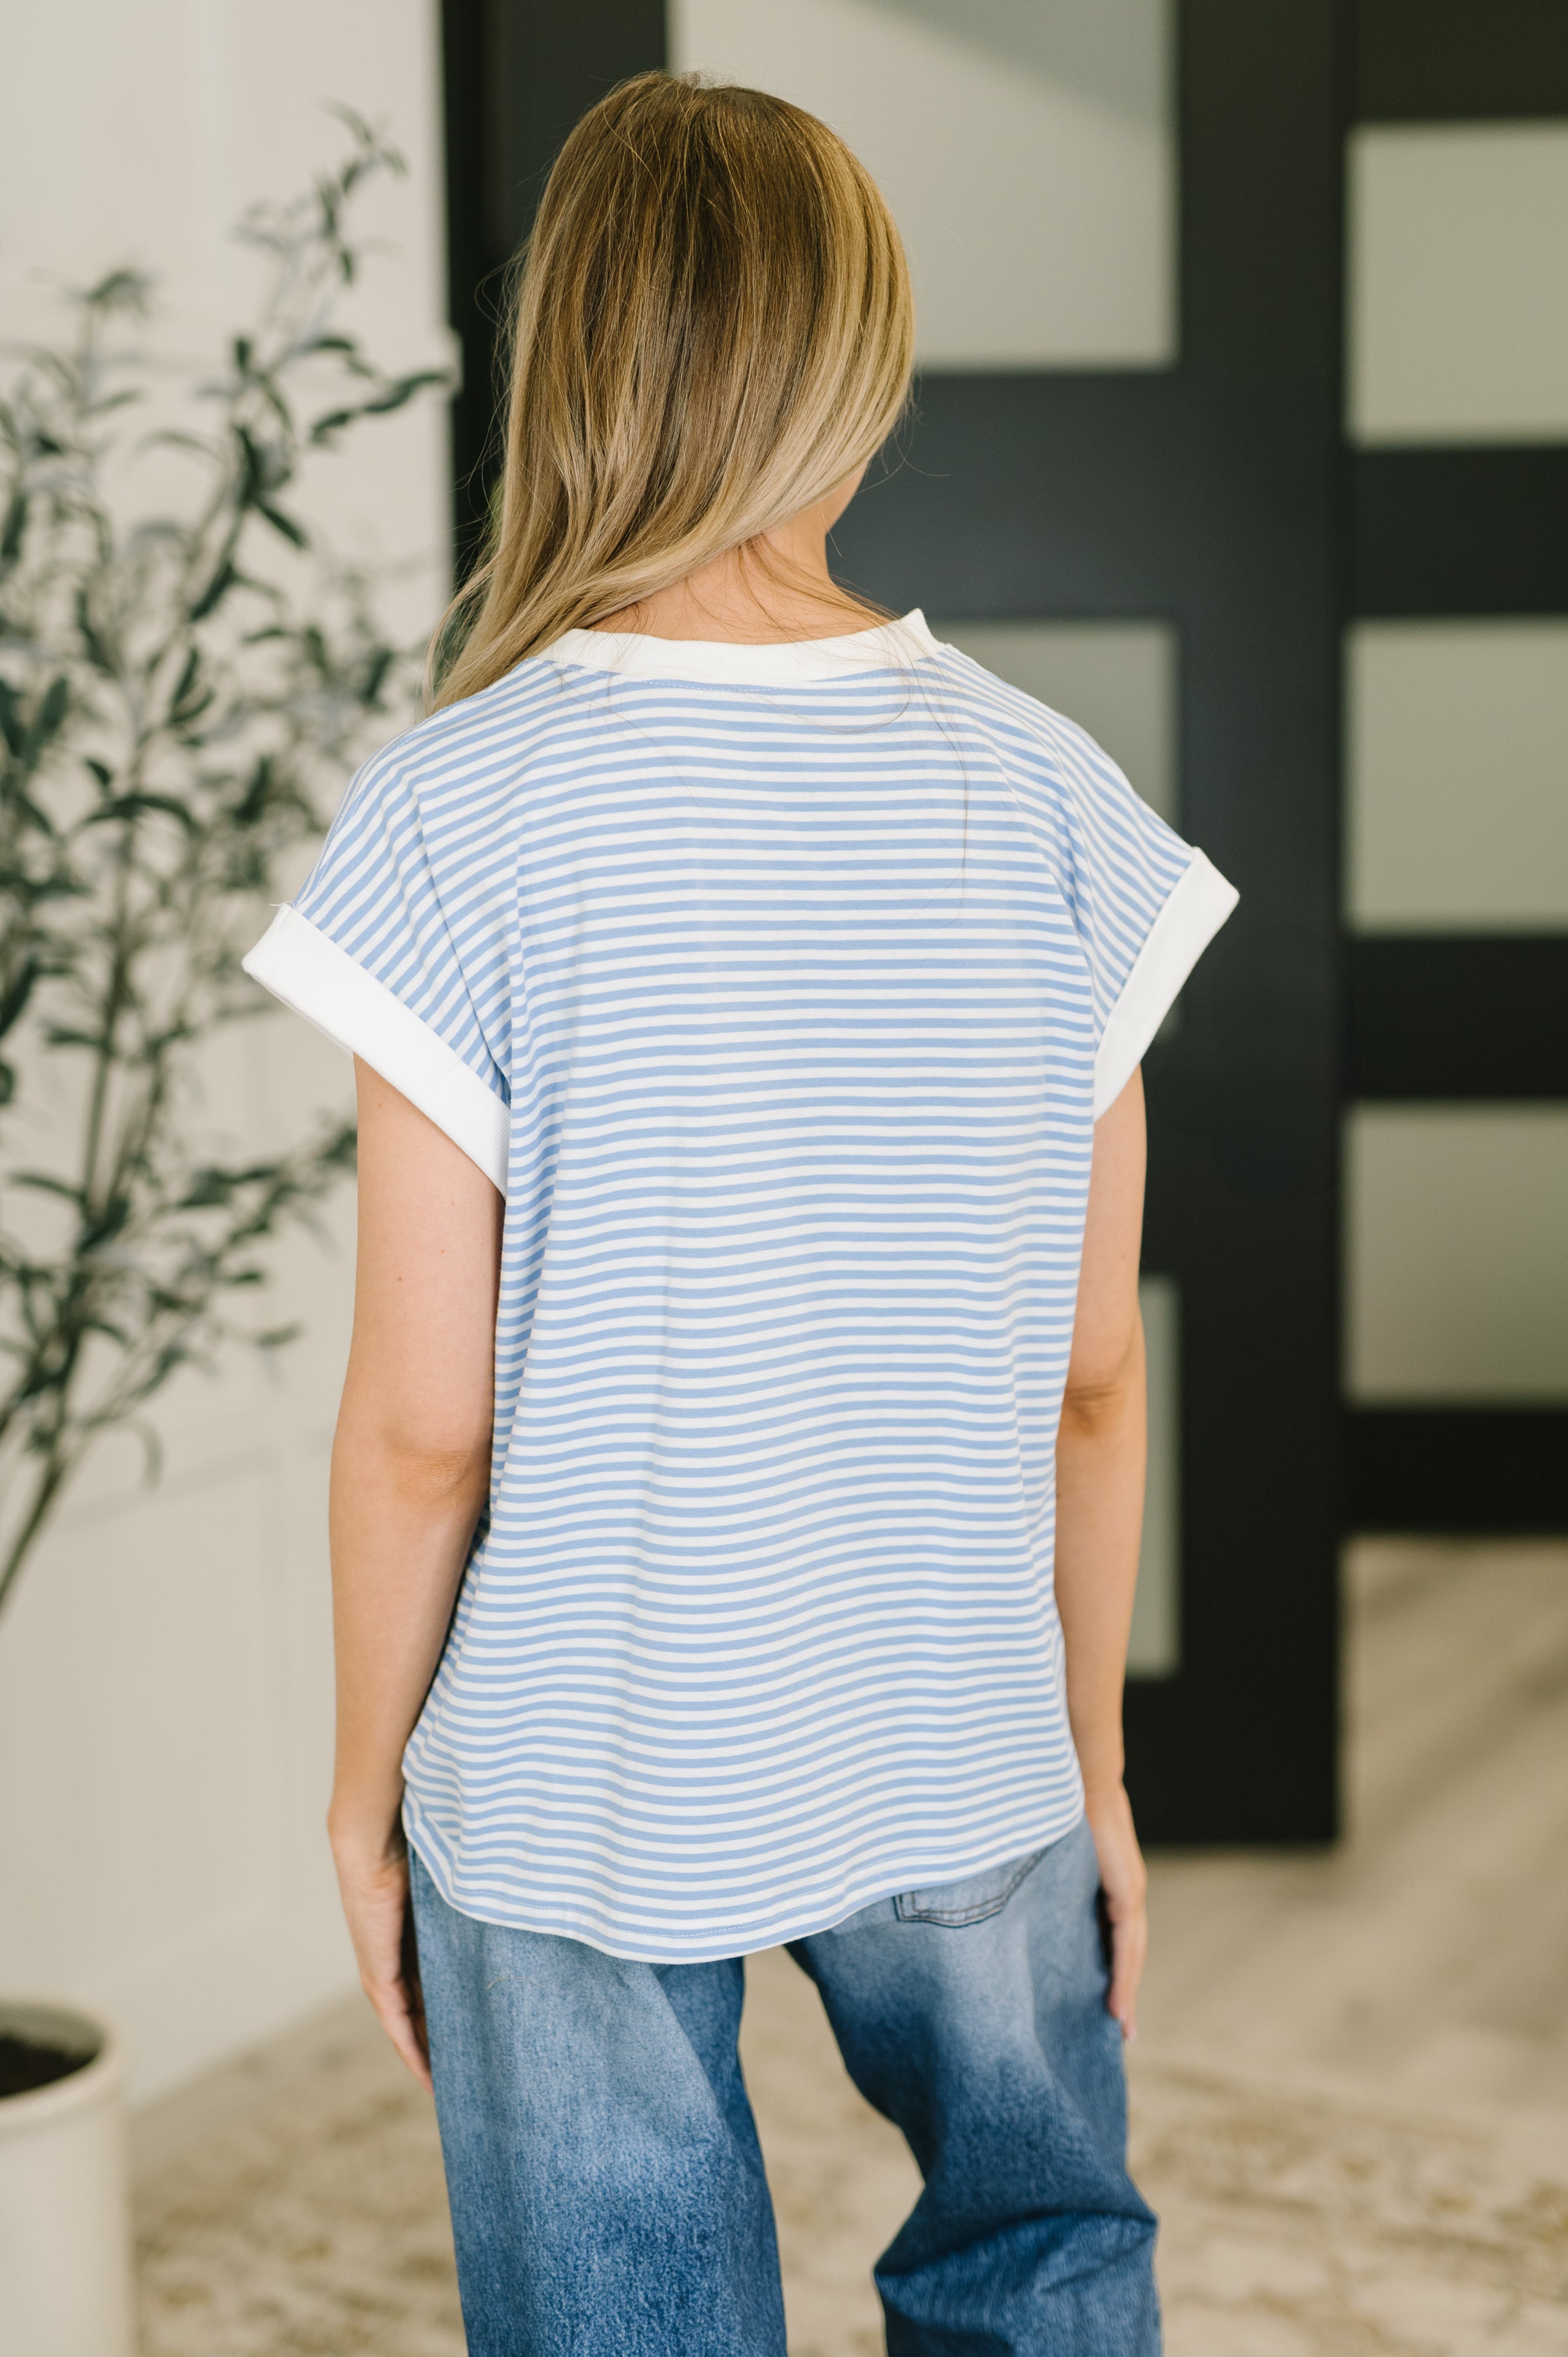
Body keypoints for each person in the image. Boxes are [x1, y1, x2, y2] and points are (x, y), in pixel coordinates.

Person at [246, 69, 1236, 2357]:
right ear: (855, 373)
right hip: (957, 1730)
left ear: (573, 368)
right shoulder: (1048, 798)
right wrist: (1086, 1762)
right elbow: (1092, 1378)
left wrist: (362, 1788)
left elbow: (422, 1428)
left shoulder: (459, 814)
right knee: (1039, 2252)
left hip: (578, 1765)